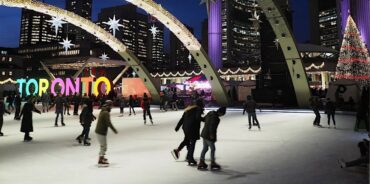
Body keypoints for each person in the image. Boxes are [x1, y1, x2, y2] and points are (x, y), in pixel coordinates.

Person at [172, 99, 205, 166]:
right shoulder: (198, 108)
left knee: (186, 140)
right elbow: (198, 118)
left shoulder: (188, 108)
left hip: (185, 127)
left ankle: (178, 150)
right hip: (193, 128)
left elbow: (182, 119)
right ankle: (190, 158)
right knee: (192, 142)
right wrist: (205, 119)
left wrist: (177, 127)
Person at [95, 100, 118, 167]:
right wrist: (114, 130)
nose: (111, 107)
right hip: (101, 131)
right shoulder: (106, 113)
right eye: (111, 106)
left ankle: (101, 157)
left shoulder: (103, 110)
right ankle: (101, 159)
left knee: (103, 146)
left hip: (100, 131)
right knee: (103, 146)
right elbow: (108, 123)